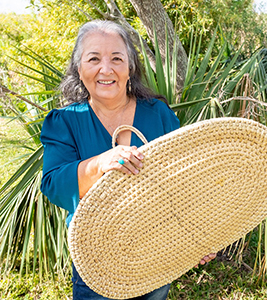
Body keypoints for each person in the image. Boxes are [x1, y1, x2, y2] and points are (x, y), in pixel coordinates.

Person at [40, 19, 216, 300]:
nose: (105, 69)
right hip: (96, 262)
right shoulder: (65, 121)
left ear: (130, 66)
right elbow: (53, 184)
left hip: (157, 255)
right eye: (94, 58)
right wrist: (100, 163)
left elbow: (184, 182)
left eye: (117, 58)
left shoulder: (158, 114)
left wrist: (197, 236)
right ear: (79, 67)